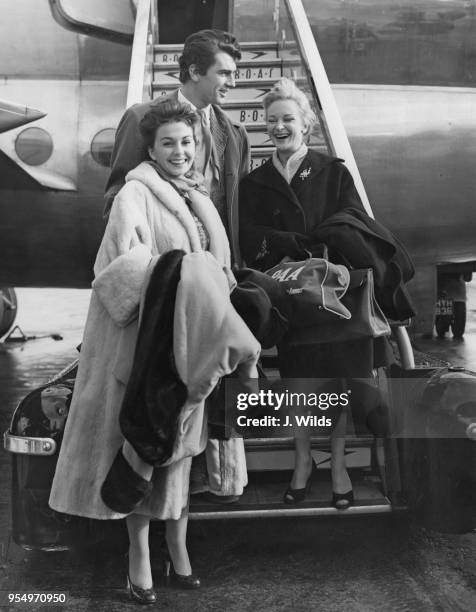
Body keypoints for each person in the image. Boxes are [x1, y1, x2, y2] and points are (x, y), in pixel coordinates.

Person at [49, 99, 258, 604]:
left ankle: (179, 551)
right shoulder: (134, 195)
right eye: (168, 142)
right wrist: (186, 276)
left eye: (187, 142)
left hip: (192, 344)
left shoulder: (198, 197)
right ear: (151, 147)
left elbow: (217, 267)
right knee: (147, 444)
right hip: (148, 345)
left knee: (182, 450)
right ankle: (139, 559)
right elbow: (118, 270)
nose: (179, 151)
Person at [239, 77, 383, 509]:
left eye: (288, 118)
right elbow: (250, 237)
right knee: (300, 382)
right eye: (272, 120)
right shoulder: (255, 182)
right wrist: (290, 245)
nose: (280, 127)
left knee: (337, 382)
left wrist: (314, 242)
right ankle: (303, 459)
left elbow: (354, 221)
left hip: (330, 292)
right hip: (290, 297)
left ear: (306, 123)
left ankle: (337, 463)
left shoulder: (332, 171)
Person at [105, 28, 250, 265]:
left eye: (234, 74)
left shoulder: (235, 134)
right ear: (194, 71)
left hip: (218, 269)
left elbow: (237, 210)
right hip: (160, 270)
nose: (232, 83)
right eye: (224, 73)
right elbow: (117, 202)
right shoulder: (140, 118)